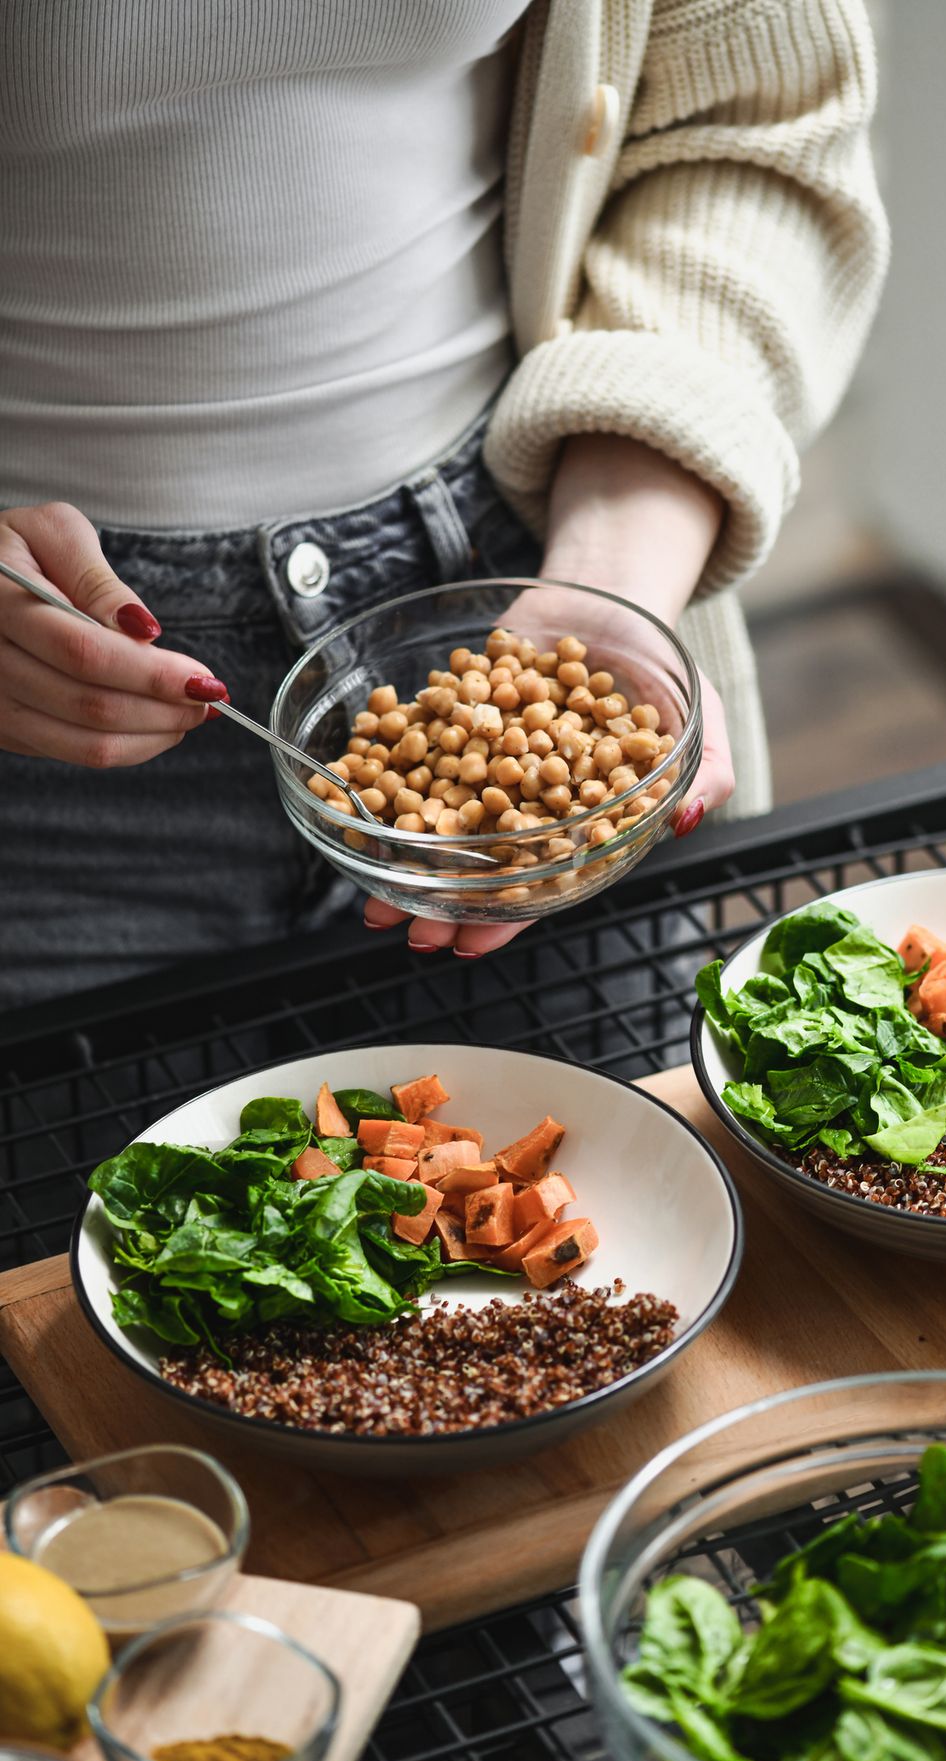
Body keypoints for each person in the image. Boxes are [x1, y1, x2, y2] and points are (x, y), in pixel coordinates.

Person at [0, 0, 888, 1008]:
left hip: (524, 536)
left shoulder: (544, 715)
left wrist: (617, 565)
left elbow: (750, 131)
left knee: (602, 1152)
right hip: (35, 693)